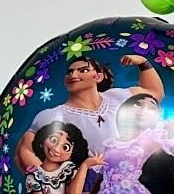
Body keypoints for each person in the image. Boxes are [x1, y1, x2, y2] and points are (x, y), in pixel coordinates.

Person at [16, 54, 163, 172]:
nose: (73, 75)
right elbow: (25, 150)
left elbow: (154, 93)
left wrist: (143, 63)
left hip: (134, 176)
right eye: (69, 72)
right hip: (90, 186)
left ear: (98, 76)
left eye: (83, 70)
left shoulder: (118, 96)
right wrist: (51, 182)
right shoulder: (52, 115)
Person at [87, 95, 174, 194]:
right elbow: (103, 175)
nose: (143, 110)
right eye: (137, 104)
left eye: (151, 108)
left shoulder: (150, 137)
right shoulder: (111, 143)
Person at [23, 122, 102, 194]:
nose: (56, 148)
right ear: (43, 139)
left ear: (72, 153)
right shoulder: (34, 174)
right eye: (54, 139)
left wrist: (85, 166)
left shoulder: (69, 168)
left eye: (65, 147)